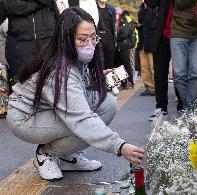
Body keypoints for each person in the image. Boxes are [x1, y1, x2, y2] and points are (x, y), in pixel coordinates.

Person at [6, 8, 145, 181]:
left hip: (48, 110)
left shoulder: (73, 57)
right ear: (66, 39)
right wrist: (120, 147)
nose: (89, 44)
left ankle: (66, 157)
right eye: (82, 39)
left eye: (93, 38)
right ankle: (46, 154)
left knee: (107, 104)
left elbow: (76, 86)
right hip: (26, 118)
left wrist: (100, 76)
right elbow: (81, 119)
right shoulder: (59, 70)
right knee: (85, 123)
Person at [0, 0, 59, 90]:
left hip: (47, 42)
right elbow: (10, 5)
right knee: (21, 87)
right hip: (20, 45)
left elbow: (56, 15)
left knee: (52, 85)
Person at [170, 0, 197, 109]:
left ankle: (189, 112)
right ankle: (190, 110)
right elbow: (180, 3)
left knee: (195, 72)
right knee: (179, 74)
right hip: (179, 30)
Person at [145, 0, 175, 121]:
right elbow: (150, 2)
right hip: (161, 37)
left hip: (181, 36)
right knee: (160, 74)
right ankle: (161, 107)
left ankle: (183, 107)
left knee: (180, 73)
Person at [137, 0, 155, 96]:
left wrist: (143, 25)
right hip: (142, 42)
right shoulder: (141, 10)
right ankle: (149, 87)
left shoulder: (154, 8)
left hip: (151, 43)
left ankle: (156, 87)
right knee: (144, 67)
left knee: (153, 66)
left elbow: (153, 25)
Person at [116, 9, 135, 89]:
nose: (116, 15)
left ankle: (130, 82)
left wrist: (116, 37)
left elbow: (124, 34)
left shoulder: (123, 22)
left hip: (124, 45)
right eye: (115, 13)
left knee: (126, 64)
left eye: (117, 14)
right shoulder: (114, 22)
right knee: (119, 65)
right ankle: (123, 83)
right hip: (117, 46)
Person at [97, 0, 116, 69]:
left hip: (109, 37)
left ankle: (108, 80)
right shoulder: (93, 8)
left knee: (110, 64)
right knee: (100, 63)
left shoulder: (112, 9)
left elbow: (113, 26)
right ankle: (100, 79)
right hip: (98, 37)